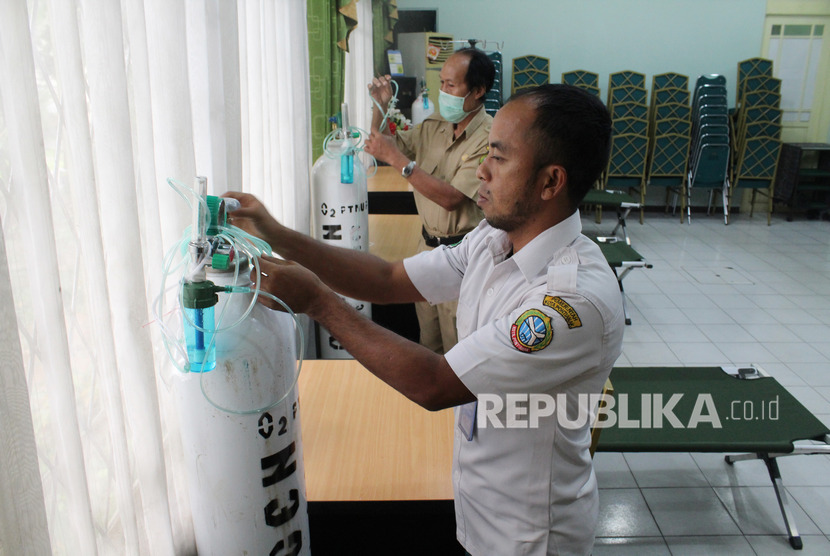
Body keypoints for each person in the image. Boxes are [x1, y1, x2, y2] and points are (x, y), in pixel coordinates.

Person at [224, 83, 624, 556]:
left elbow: (435, 383)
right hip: (478, 503)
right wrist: (278, 235)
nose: (482, 170)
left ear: (550, 182)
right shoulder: (494, 241)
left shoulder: (569, 303)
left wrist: (319, 303)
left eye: (498, 157)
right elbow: (391, 278)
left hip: (530, 534)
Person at [364, 47, 495, 354]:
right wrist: (379, 107)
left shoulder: (488, 137)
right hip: (427, 251)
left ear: (478, 91)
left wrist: (399, 161)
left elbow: (451, 198)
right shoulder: (434, 125)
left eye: (451, 85)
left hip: (462, 255)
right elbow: (383, 144)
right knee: (428, 343)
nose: (443, 92)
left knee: (457, 350)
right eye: (442, 83)